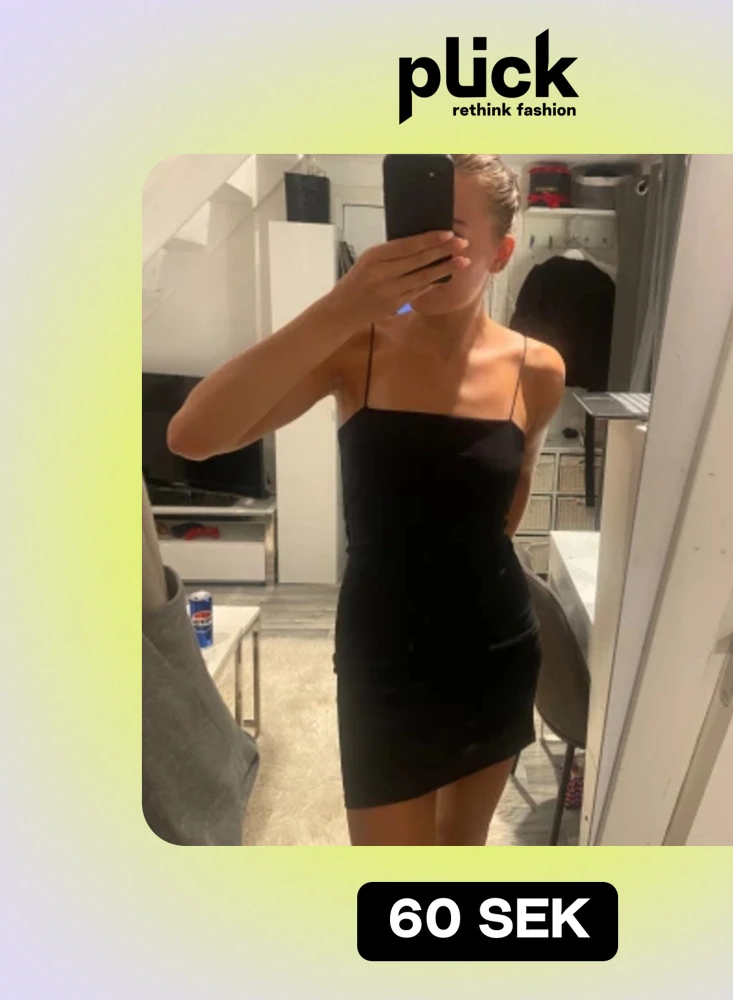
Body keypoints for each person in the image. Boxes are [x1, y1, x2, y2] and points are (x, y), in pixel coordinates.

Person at [167, 155, 566, 846]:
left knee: (459, 856)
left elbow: (512, 494)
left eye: (451, 231)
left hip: (495, 648)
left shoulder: (538, 368)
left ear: (501, 253)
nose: (423, 247)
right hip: (384, 653)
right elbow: (192, 436)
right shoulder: (354, 344)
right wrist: (342, 305)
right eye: (413, 225)